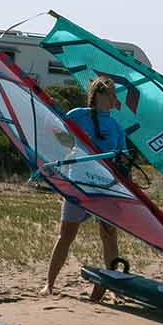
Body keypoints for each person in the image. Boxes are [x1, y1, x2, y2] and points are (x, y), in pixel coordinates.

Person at [43, 76, 125, 298]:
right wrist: (74, 144)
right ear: (99, 95)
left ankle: (115, 289)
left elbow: (122, 159)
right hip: (78, 184)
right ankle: (49, 284)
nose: (115, 99)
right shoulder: (77, 115)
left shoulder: (117, 126)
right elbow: (58, 135)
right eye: (112, 95)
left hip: (105, 188)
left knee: (109, 236)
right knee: (66, 235)